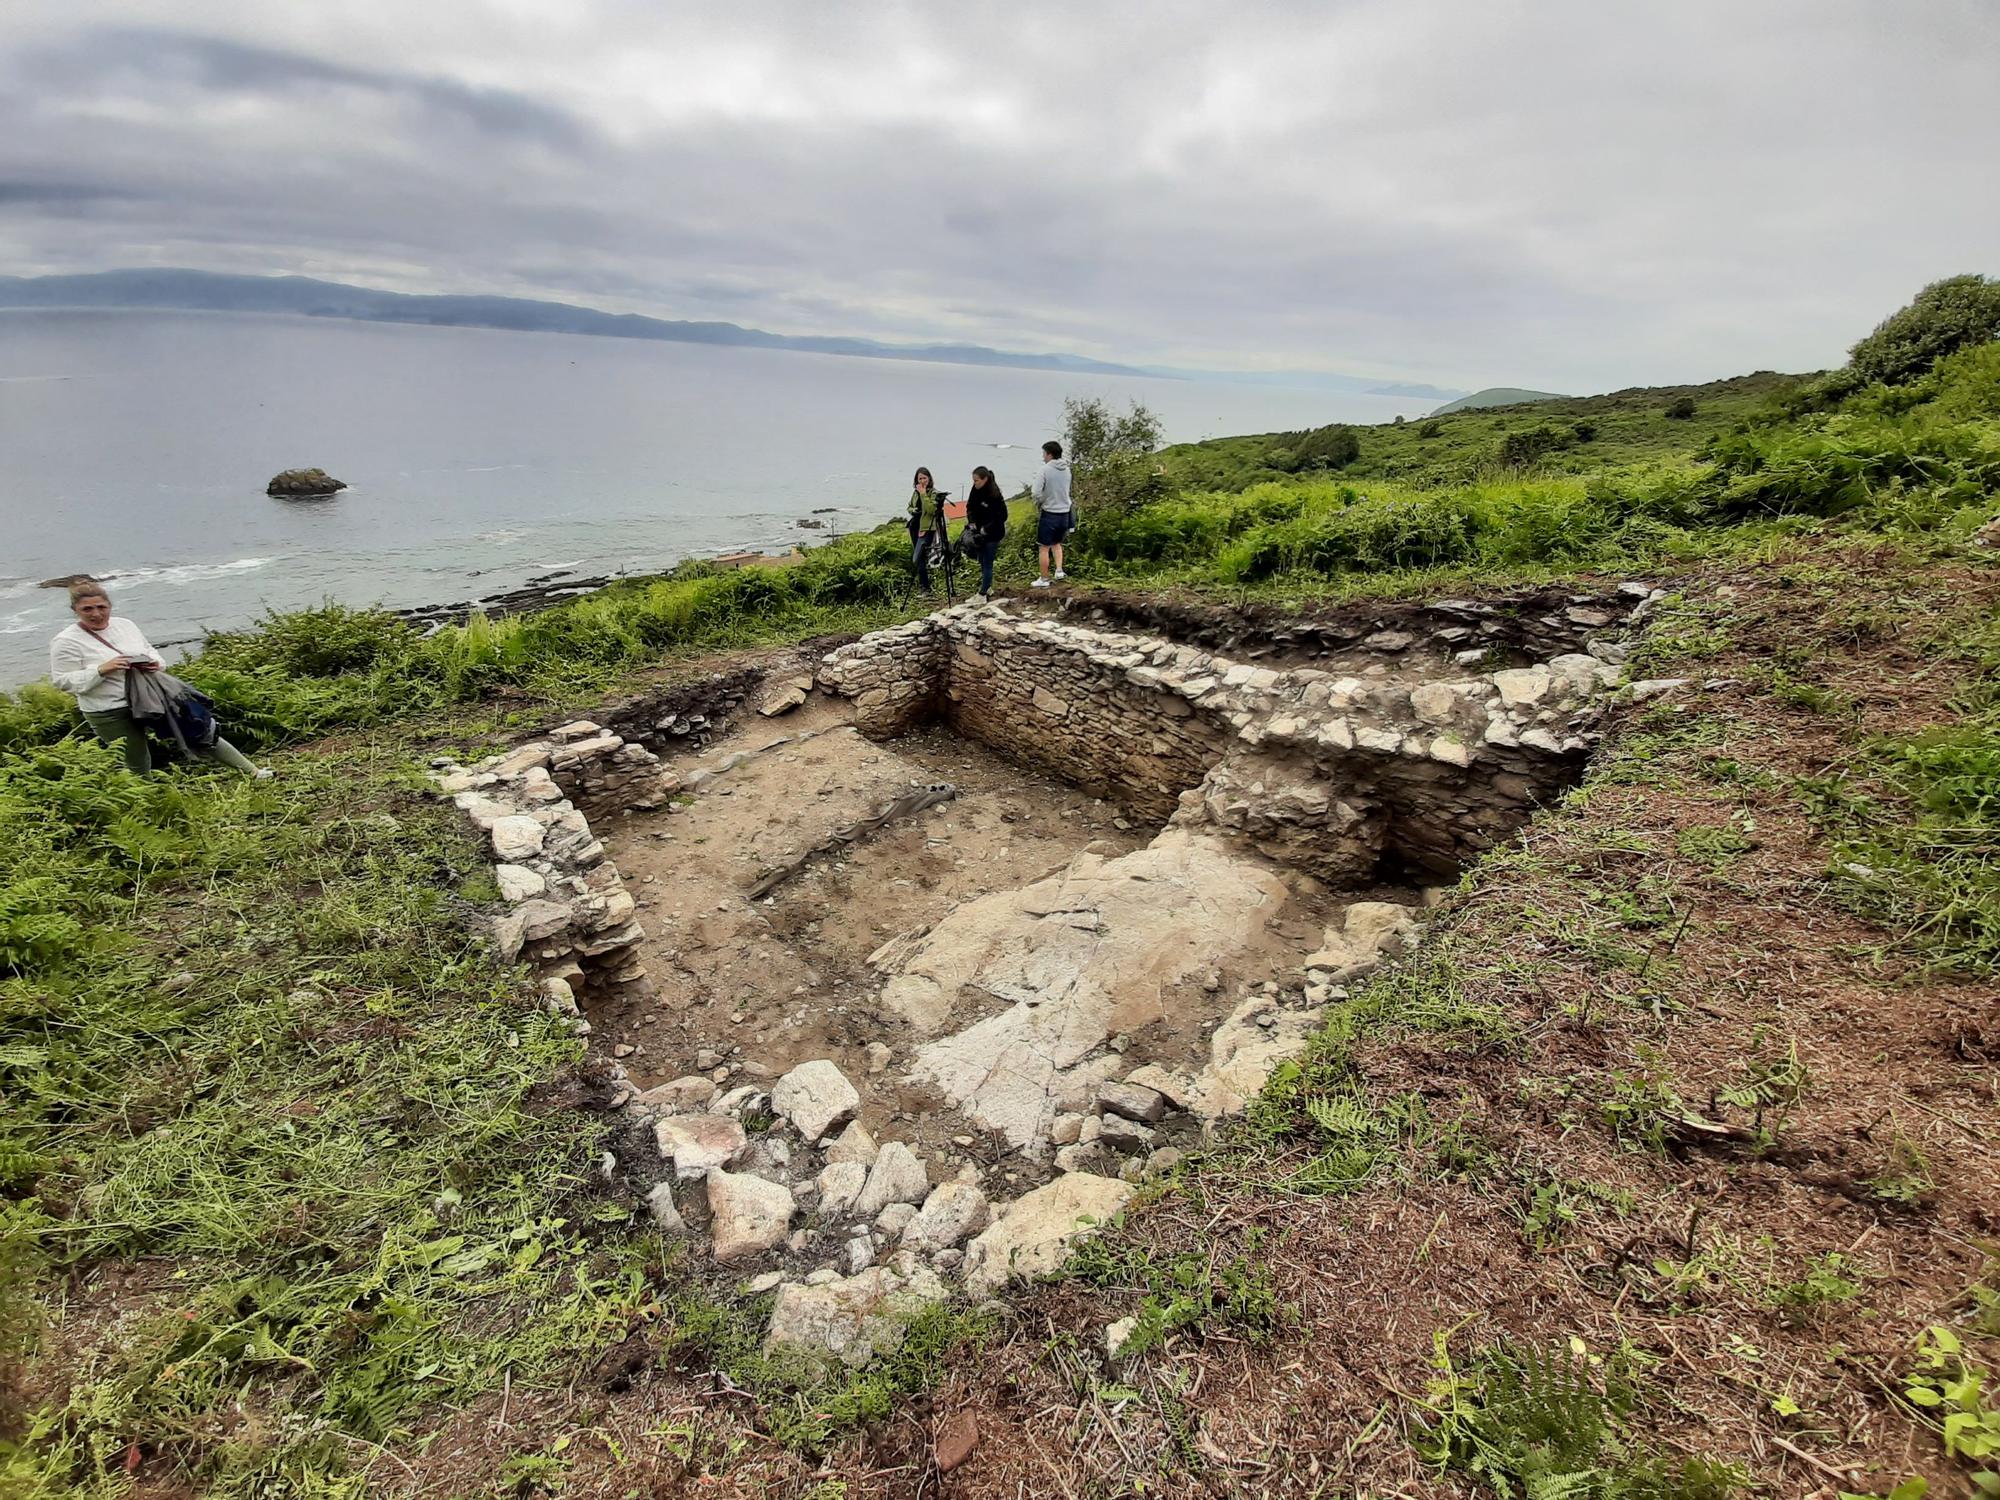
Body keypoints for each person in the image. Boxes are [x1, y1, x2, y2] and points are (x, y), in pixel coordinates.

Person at [49, 582, 270, 778]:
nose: (96, 614)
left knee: (200, 730)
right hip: (109, 709)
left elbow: (149, 650)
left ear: (109, 606)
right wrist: (101, 670)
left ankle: (253, 772)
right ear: (75, 610)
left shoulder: (125, 625)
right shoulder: (66, 641)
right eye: (87, 609)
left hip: (151, 696)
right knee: (135, 759)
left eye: (101, 607)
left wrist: (155, 663)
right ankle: (149, 806)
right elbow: (62, 681)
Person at [1030, 439, 1074, 588]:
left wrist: (1041, 501)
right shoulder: (1067, 469)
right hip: (1065, 513)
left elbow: (1035, 492)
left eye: (1044, 453)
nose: (1043, 457)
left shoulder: (1045, 470)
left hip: (1050, 513)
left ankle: (1044, 579)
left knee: (1044, 547)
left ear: (1049, 454)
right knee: (1057, 543)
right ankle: (1059, 571)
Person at [961, 465, 1008, 599]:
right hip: (978, 531)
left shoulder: (995, 495)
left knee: (987, 561)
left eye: (976, 481)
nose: (974, 483)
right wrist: (972, 521)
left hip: (993, 532)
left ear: (985, 479)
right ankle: (988, 588)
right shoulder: (975, 490)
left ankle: (982, 593)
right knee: (981, 559)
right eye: (973, 480)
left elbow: (1003, 516)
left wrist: (986, 528)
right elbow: (969, 506)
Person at [906, 465, 947, 593]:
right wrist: (914, 511)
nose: (922, 481)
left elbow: (931, 510)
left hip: (927, 528)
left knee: (917, 557)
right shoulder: (915, 493)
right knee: (920, 559)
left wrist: (924, 494)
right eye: (919, 479)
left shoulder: (933, 493)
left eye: (924, 478)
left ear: (929, 479)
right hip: (915, 526)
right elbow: (909, 506)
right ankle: (924, 586)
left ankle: (925, 587)